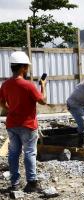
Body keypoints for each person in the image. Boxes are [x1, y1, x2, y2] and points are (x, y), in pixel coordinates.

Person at [0, 51, 46, 192]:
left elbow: (2, 103)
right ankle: (31, 182)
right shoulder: (28, 85)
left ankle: (15, 183)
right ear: (22, 68)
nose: (28, 69)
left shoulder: (5, 85)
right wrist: (43, 85)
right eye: (27, 67)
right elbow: (43, 101)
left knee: (14, 153)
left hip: (12, 124)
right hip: (28, 125)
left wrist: (11, 110)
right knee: (30, 152)